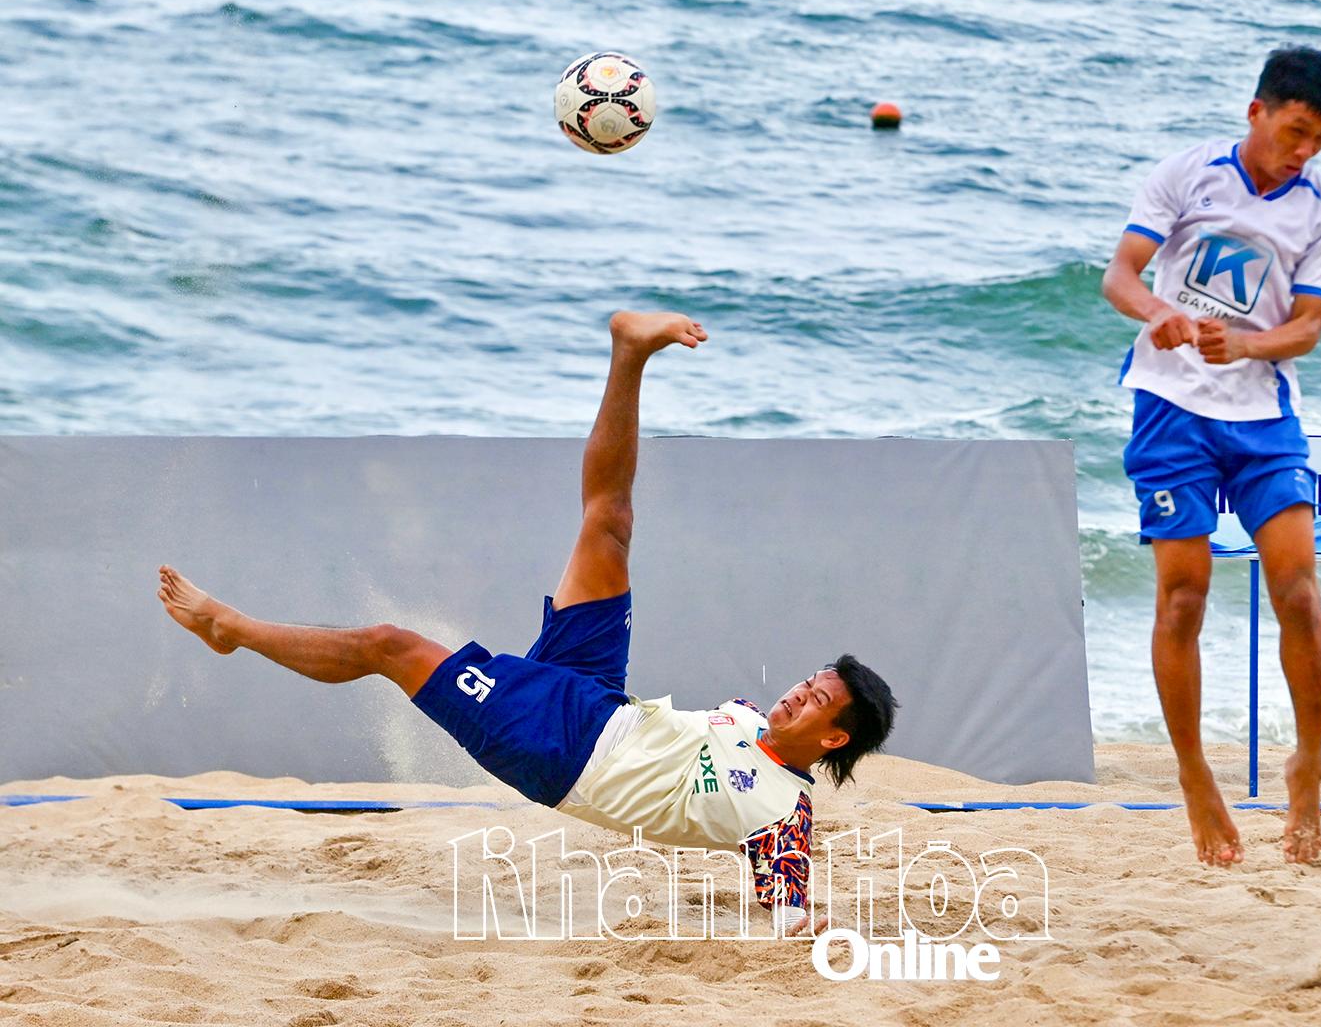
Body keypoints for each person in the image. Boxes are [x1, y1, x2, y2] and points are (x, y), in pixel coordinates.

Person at [157, 310, 898, 932]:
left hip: (563, 752)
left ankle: (232, 631)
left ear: (833, 738)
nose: (798, 693)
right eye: (807, 680)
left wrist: (804, 923)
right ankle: (630, 350)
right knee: (608, 524)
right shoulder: (745, 716)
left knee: (391, 645)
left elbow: (789, 909)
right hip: (602, 698)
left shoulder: (783, 815)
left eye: (817, 701)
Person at [1100, 47, 1321, 866]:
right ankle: (1195, 777)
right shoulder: (1188, 174)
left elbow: (1307, 328)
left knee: (1300, 593)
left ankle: (1306, 769)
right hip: (1170, 410)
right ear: (1258, 111)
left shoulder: (1320, 210)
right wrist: (1161, 313)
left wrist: (1245, 345)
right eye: (1296, 130)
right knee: (1182, 600)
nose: (1305, 149)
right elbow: (1122, 277)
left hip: (1262, 418)